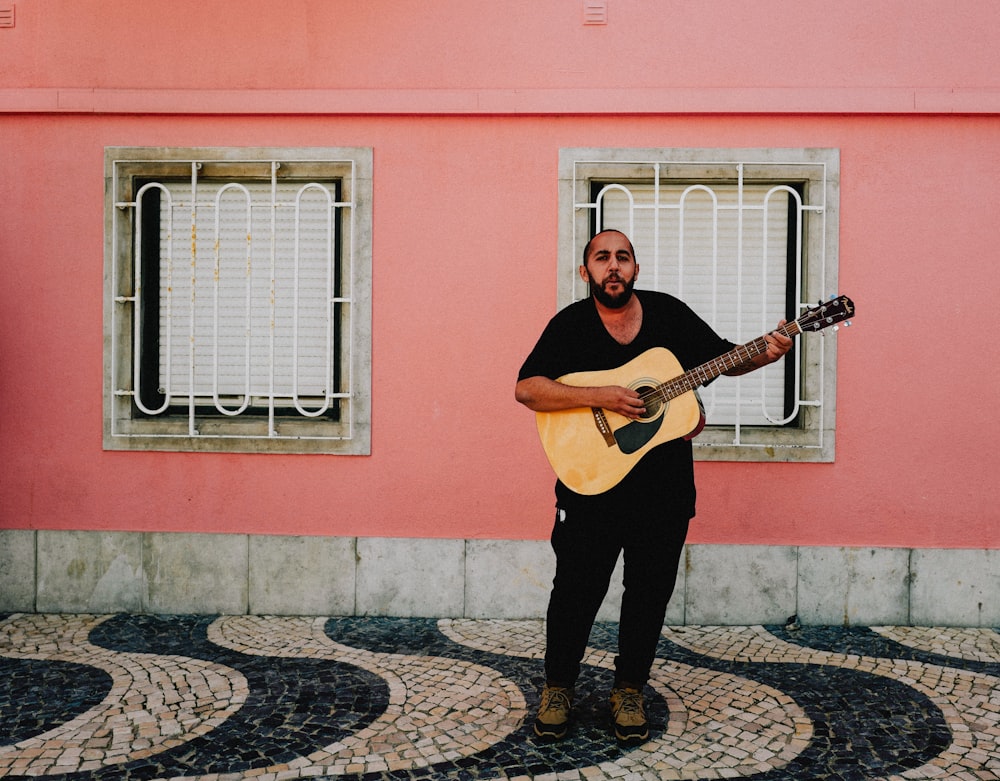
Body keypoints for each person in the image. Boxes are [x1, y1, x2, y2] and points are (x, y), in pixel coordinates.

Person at [515, 229, 792, 745]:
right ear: (586, 273)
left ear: (636, 269)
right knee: (575, 591)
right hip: (589, 486)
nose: (613, 266)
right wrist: (604, 395)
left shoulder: (668, 315)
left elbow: (726, 358)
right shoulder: (570, 325)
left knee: (649, 594)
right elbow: (527, 389)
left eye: (623, 257)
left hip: (662, 492)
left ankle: (629, 689)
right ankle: (558, 687)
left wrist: (768, 352)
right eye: (602, 258)